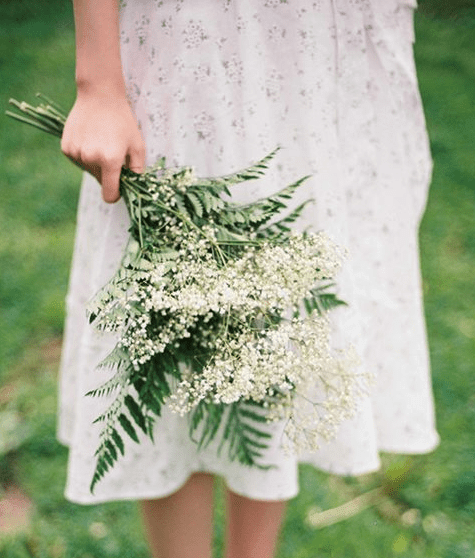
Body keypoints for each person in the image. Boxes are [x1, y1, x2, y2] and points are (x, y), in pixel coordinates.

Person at [58, 1, 440, 557]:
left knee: (281, 322)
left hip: (327, 44)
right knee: (170, 334)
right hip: (201, 35)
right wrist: (99, 83)